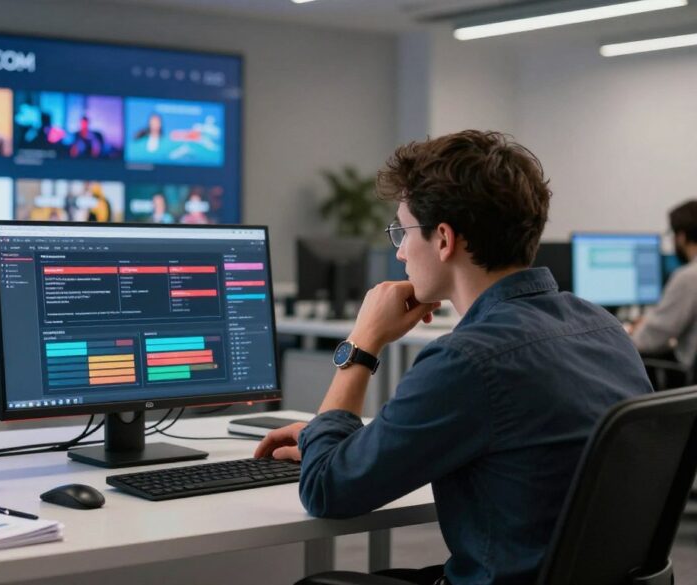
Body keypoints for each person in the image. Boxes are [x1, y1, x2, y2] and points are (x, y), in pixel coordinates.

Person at [255, 130, 652, 585]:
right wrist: (334, 439)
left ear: (443, 239)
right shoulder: (601, 326)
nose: (400, 251)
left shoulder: (468, 360)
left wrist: (363, 343)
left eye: (401, 232)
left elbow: (326, 490)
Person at [630, 200, 697, 383]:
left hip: (688, 382)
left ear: (681, 237)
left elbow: (650, 339)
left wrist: (630, 333)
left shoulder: (688, 276)